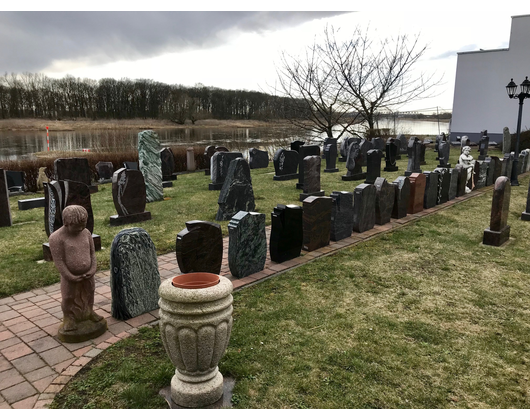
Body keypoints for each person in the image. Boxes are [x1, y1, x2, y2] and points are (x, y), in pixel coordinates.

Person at [49, 205, 104, 334]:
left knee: (90, 292)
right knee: (68, 296)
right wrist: (70, 276)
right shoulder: (56, 238)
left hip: (88, 274)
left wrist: (92, 269)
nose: (80, 228)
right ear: (66, 223)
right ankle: (69, 317)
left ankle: (89, 311)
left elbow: (92, 254)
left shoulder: (86, 233)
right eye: (76, 226)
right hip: (69, 276)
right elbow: (59, 262)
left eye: (83, 224)